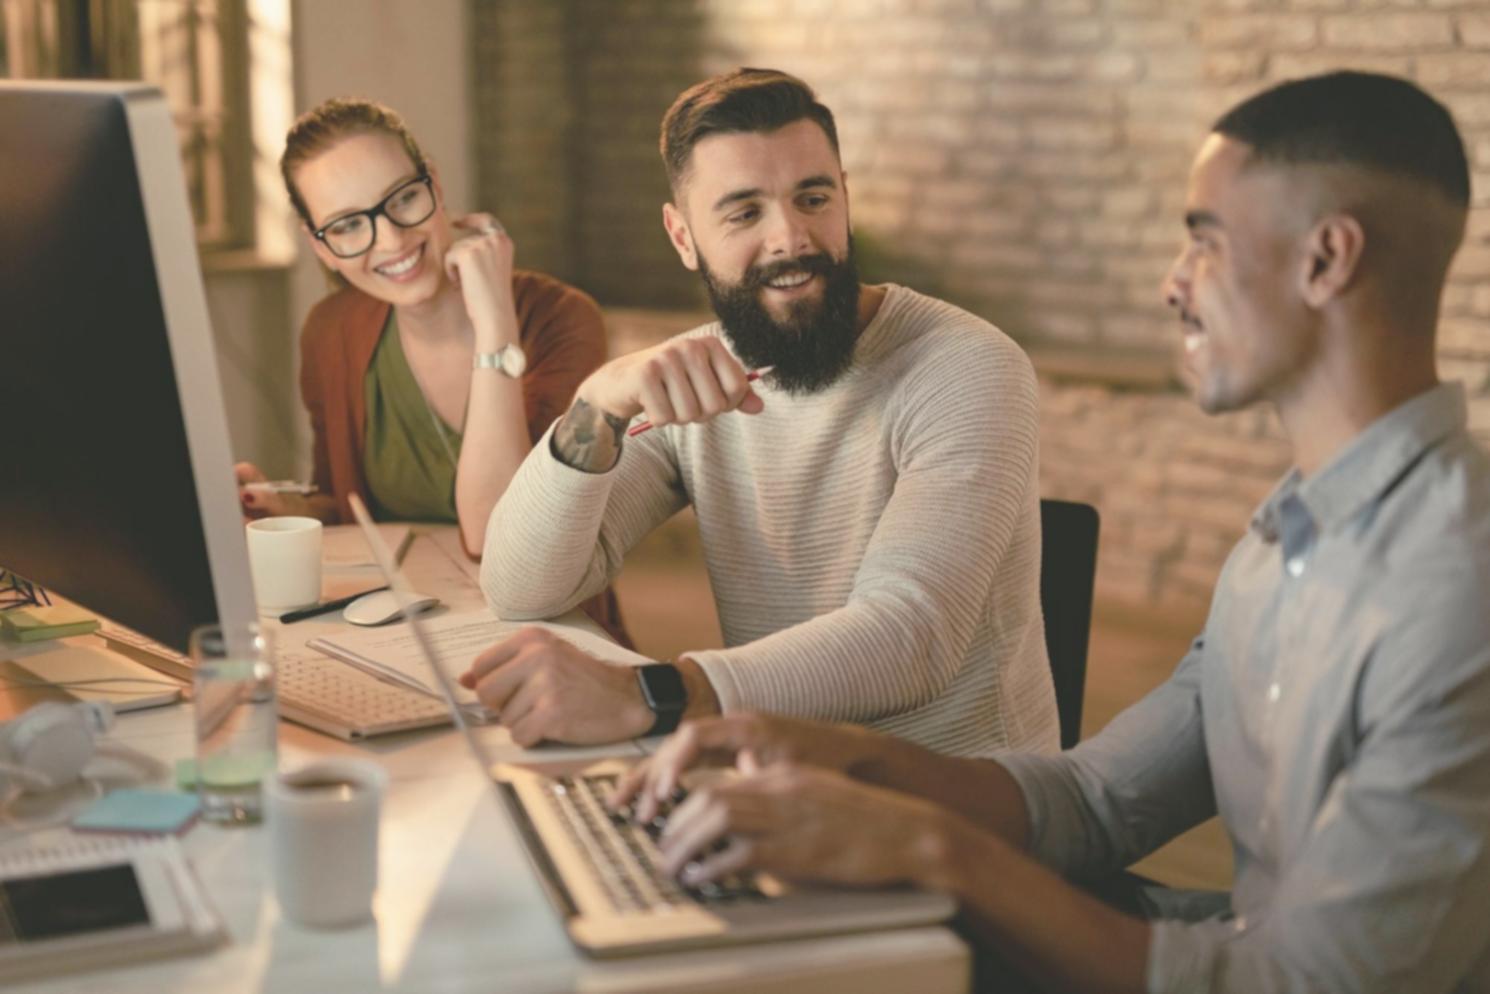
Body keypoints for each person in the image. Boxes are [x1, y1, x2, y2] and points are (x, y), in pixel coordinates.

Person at [609, 71, 1490, 993]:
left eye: (1205, 243)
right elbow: (1098, 799)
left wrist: (928, 846)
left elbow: (1303, 982)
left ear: (1325, 261)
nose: (1172, 285)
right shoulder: (1288, 534)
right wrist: (836, 759)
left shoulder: (1453, 589)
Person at [464, 69, 1058, 754]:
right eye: (744, 212)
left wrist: (646, 695)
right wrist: (596, 404)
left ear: (844, 198)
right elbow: (520, 587)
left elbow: (911, 638)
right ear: (683, 237)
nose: (792, 238)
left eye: (812, 197)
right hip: (782, 786)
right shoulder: (696, 378)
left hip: (965, 817)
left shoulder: (968, 366)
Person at [234, 97, 626, 642]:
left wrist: (496, 330)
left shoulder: (561, 319)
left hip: (550, 635)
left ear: (435, 187)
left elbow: (501, 539)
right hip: (409, 631)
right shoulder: (331, 330)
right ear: (320, 246)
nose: (392, 240)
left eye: (403, 199)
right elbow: (348, 506)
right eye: (348, 225)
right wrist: (282, 507)